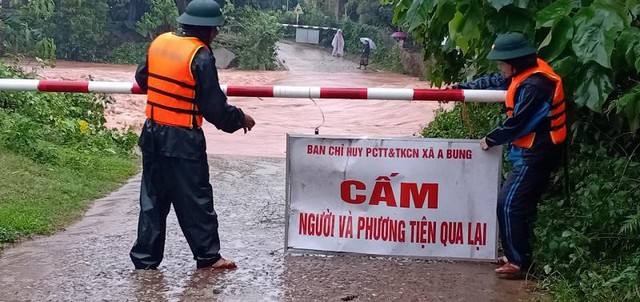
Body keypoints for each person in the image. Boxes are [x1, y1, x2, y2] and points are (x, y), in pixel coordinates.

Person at [130, 0, 255, 270]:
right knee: (196, 199)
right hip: (183, 138)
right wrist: (240, 118)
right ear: (206, 30)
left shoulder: (160, 42)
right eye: (215, 29)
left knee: (152, 200)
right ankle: (209, 257)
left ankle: (145, 260)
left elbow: (142, 79)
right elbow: (214, 108)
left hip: (152, 132)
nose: (217, 34)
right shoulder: (200, 55)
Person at [456, 32, 566, 278]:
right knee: (516, 204)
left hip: (538, 152)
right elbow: (496, 81)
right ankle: (516, 254)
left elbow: (519, 122)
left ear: (514, 62)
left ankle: (519, 262)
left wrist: (490, 139)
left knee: (509, 204)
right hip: (527, 150)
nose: (500, 67)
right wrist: (463, 88)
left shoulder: (537, 85)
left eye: (502, 62)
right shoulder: (525, 74)